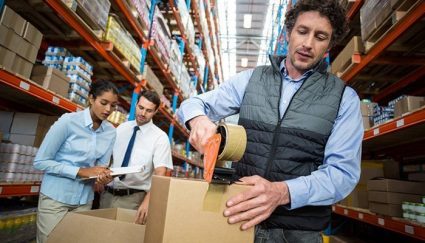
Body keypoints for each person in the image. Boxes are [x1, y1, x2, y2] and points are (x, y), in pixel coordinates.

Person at [177, 0, 363, 242]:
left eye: (320, 36)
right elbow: (192, 104)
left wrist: (281, 192)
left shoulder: (344, 99)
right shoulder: (250, 80)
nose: (307, 44)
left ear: (330, 44)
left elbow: (342, 174)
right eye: (302, 31)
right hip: (238, 219)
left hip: (297, 232)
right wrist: (198, 119)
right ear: (288, 33)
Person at [34, 80, 119, 243]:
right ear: (91, 99)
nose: (108, 110)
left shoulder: (110, 132)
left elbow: (100, 168)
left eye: (113, 105)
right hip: (55, 199)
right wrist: (79, 171)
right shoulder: (68, 122)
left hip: (83, 201)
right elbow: (41, 161)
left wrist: (104, 177)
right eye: (104, 103)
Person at [99, 90, 173, 225]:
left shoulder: (160, 138)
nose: (143, 113)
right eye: (141, 107)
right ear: (136, 104)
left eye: (149, 110)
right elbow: (109, 160)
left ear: (156, 111)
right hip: (107, 195)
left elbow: (161, 174)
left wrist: (147, 202)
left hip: (133, 199)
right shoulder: (121, 128)